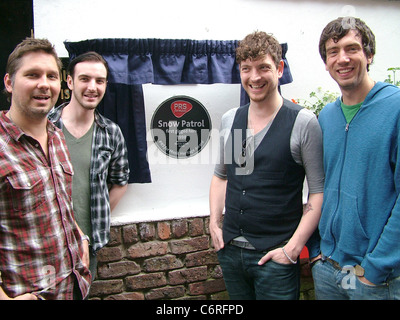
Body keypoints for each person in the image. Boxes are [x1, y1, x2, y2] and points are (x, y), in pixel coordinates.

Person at [209, 31, 324, 300]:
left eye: (264, 67)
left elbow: (318, 192)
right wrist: (214, 224)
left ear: (280, 69)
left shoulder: (302, 122)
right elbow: (222, 177)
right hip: (231, 253)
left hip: (276, 257)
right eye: (246, 69)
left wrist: (292, 249)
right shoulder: (231, 119)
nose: (254, 77)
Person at [310, 17, 400, 300]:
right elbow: (318, 185)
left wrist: (377, 267)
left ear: (369, 54)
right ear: (326, 62)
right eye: (333, 52)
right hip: (328, 268)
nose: (342, 59)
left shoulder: (395, 108)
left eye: (352, 49)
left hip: (374, 276)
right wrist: (315, 252)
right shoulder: (326, 117)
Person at [0, 37, 91, 300]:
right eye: (32, 75)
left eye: (52, 76)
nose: (44, 84)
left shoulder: (56, 136)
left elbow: (58, 200)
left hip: (73, 286)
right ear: (9, 82)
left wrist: (80, 235)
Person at [48, 52, 129, 279]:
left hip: (88, 247)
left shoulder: (111, 132)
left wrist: (95, 218)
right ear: (70, 81)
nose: (92, 87)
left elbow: (120, 183)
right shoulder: (45, 127)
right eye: (84, 79)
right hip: (47, 242)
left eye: (99, 81)